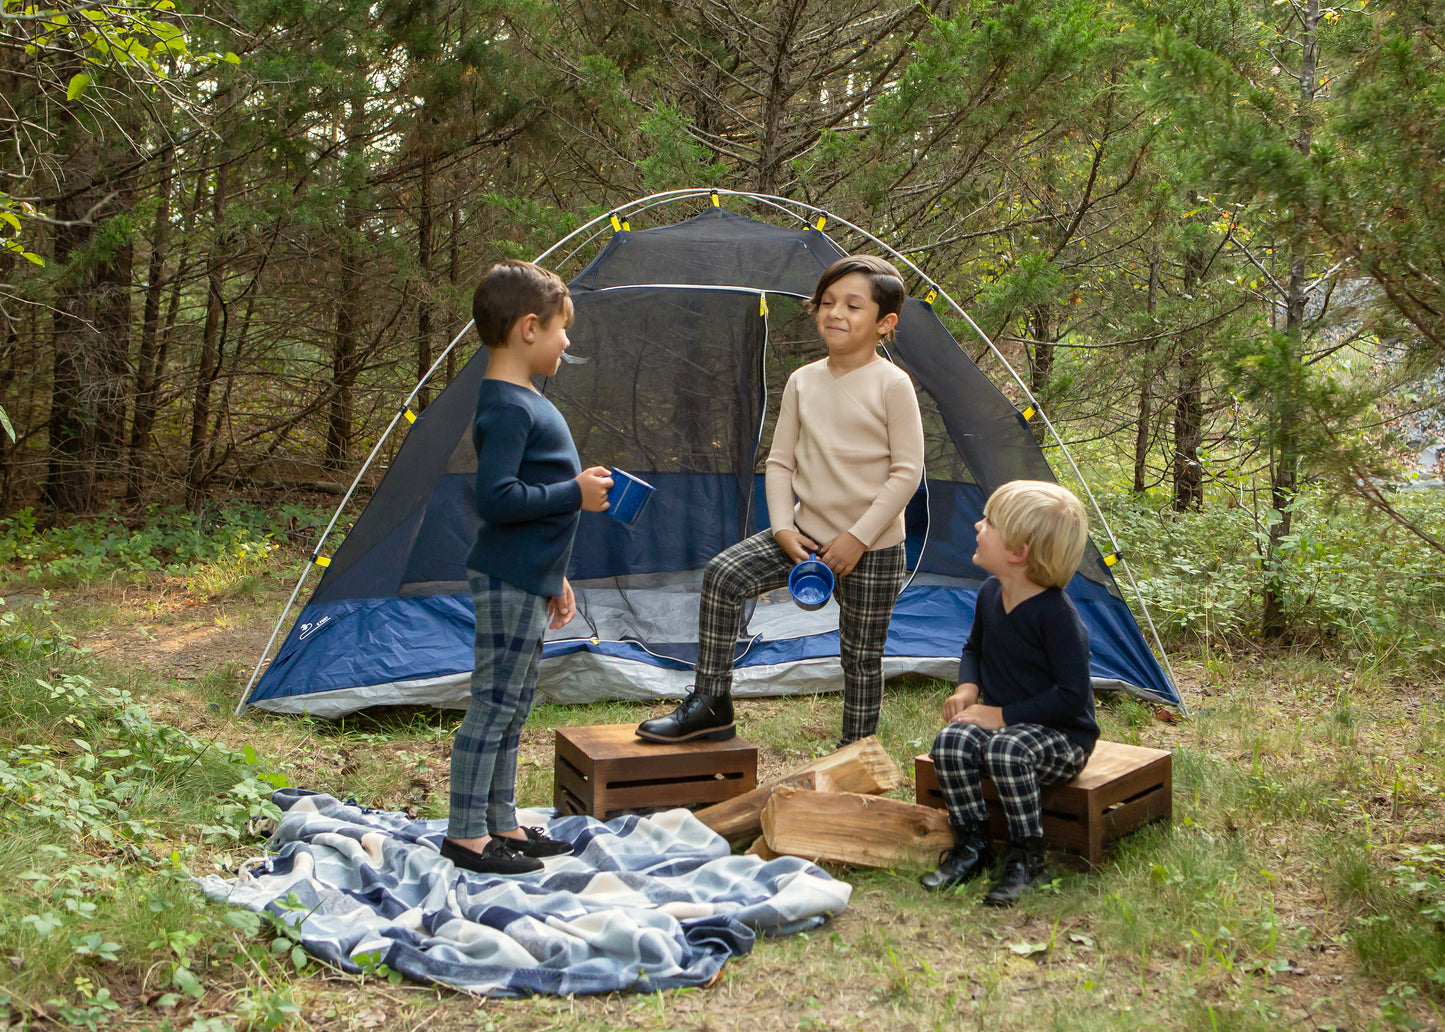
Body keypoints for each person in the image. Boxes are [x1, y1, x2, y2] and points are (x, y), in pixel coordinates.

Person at [635, 255, 924, 747]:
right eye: (827, 302)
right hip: (802, 537)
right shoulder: (803, 380)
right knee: (724, 576)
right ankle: (712, 702)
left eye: (853, 305)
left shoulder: (892, 384)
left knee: (860, 655)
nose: (835, 313)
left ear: (885, 323)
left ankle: (855, 753)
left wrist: (857, 539)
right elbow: (781, 463)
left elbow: (906, 473)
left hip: (870, 548)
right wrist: (783, 528)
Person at [441, 259, 614, 876]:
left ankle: (501, 822)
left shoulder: (524, 399)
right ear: (530, 329)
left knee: (513, 704)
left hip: (527, 575)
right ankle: (465, 834)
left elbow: (525, 507)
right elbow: (497, 499)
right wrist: (576, 492)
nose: (569, 342)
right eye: (564, 330)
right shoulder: (508, 407)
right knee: (493, 702)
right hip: (505, 577)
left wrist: (555, 575)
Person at [919, 479, 1099, 906]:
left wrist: (997, 716)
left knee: (1006, 750)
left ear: (1019, 552)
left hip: (1062, 737)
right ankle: (973, 844)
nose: (978, 525)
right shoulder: (989, 593)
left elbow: (1071, 697)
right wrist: (968, 689)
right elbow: (975, 649)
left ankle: (1026, 856)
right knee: (951, 741)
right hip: (1009, 729)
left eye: (991, 522)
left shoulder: (1057, 617)